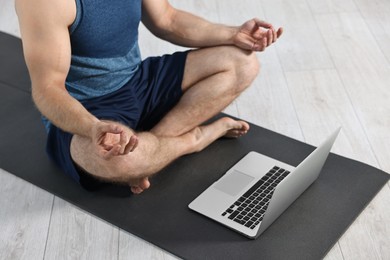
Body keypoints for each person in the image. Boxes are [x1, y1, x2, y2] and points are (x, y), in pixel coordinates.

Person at [15, 0, 283, 194]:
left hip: (139, 81)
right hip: (88, 110)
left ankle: (154, 148)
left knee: (243, 63)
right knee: (124, 161)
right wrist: (92, 127)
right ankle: (192, 140)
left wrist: (233, 34)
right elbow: (47, 88)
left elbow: (168, 19)